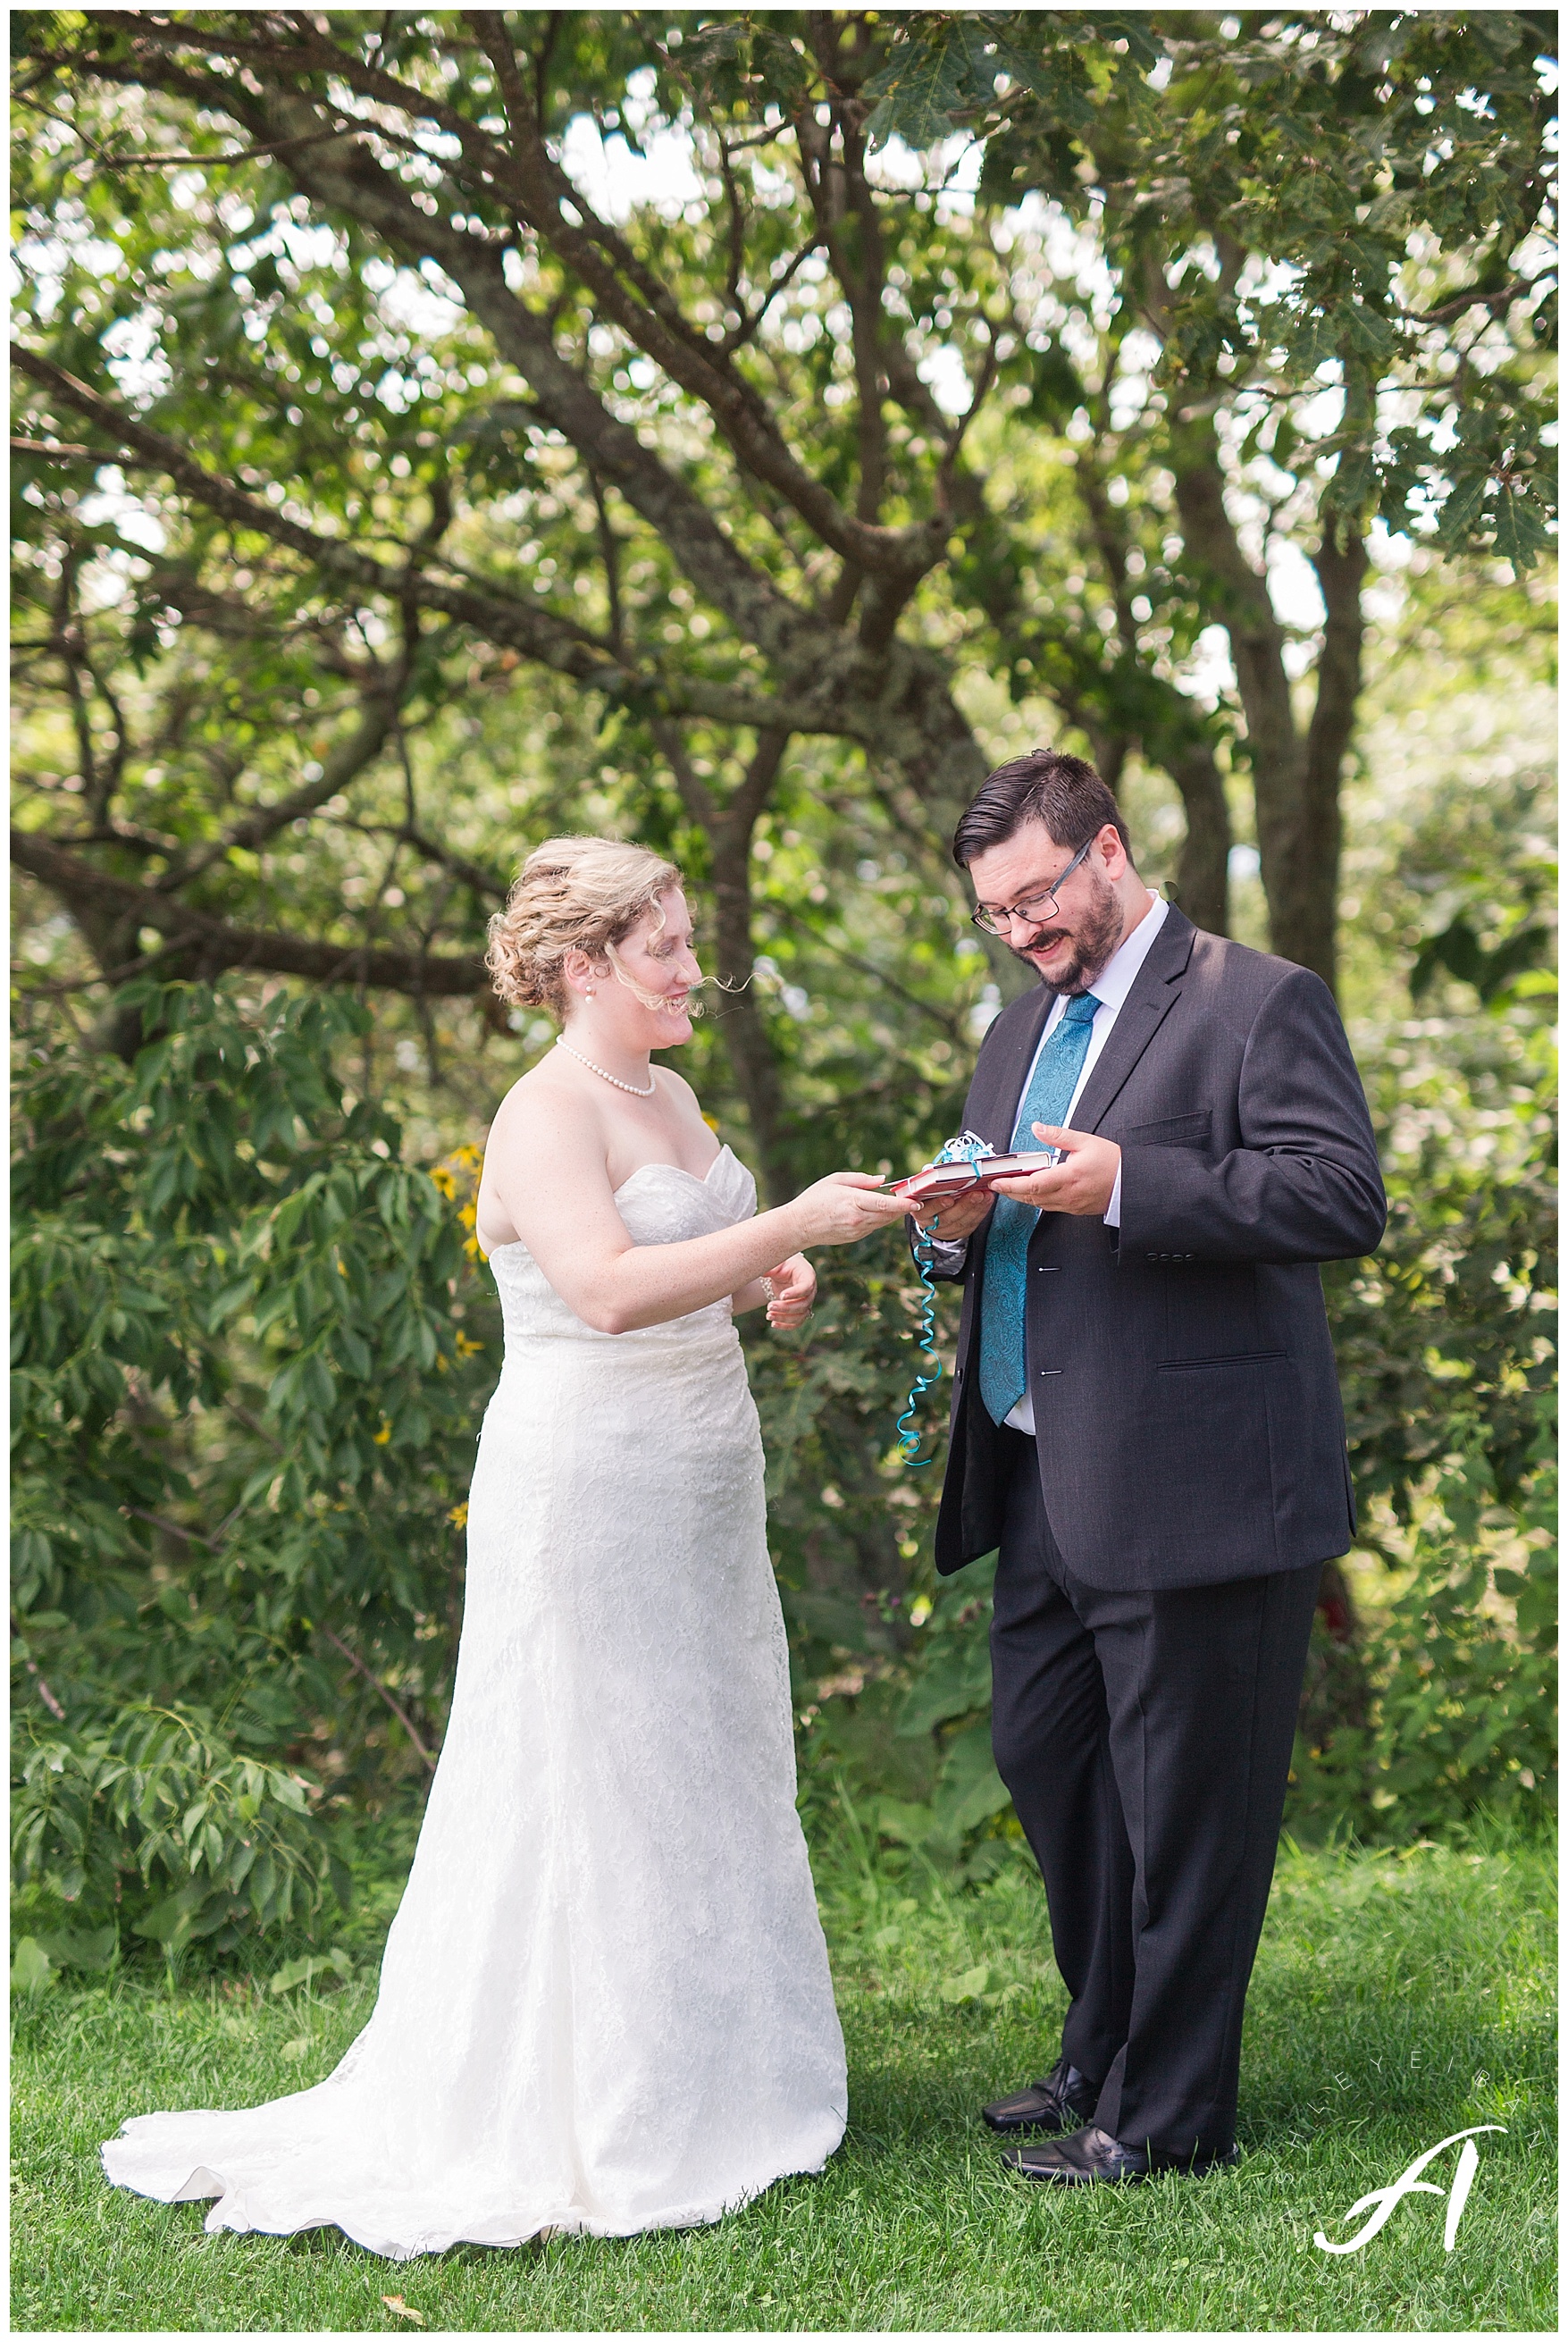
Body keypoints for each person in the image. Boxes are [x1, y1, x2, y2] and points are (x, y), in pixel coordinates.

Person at [103, 835, 908, 2259]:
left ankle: (723, 2085)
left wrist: (766, 1279)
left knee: (700, 1757)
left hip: (699, 1488)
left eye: (684, 938)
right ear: (582, 963)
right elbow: (599, 1290)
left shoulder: (669, 1089)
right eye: (661, 945)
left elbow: (686, 1273)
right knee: (595, 1771)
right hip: (588, 1488)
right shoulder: (543, 1112)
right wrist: (792, 1219)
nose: (688, 968)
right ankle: (595, 2107)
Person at [910, 751, 1386, 2186]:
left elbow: (1339, 1192)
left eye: (1038, 895)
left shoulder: (1255, 998)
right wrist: (947, 1224)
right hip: (1046, 1473)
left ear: (1108, 849)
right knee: (1047, 1757)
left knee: (1185, 1811)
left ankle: (1169, 2116)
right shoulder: (1013, 1031)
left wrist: (1128, 1181)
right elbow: (1016, 1224)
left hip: (1204, 1484)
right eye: (996, 913)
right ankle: (1102, 2041)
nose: (1023, 930)